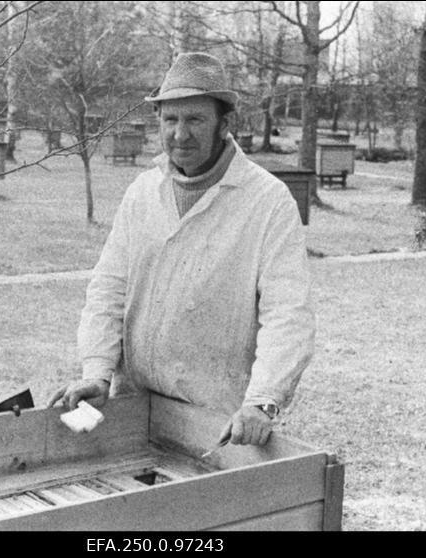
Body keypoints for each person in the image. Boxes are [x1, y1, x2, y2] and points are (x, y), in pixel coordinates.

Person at [47, 52, 315, 448]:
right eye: (170, 120)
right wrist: (98, 370)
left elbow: (288, 313)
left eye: (195, 120)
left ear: (225, 124)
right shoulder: (142, 193)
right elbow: (109, 289)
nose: (179, 134)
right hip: (135, 407)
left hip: (217, 424)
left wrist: (262, 403)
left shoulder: (268, 201)